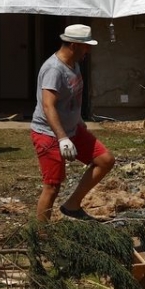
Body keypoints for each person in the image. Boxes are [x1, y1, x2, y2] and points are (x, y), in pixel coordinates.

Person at [29, 24, 116, 221]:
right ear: (74, 45)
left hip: (73, 129)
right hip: (49, 134)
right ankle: (40, 237)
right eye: (86, 46)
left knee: (105, 160)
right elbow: (48, 106)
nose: (89, 50)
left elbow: (69, 99)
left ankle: (72, 205)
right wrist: (62, 139)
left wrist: (78, 120)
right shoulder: (54, 69)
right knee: (52, 186)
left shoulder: (74, 64)